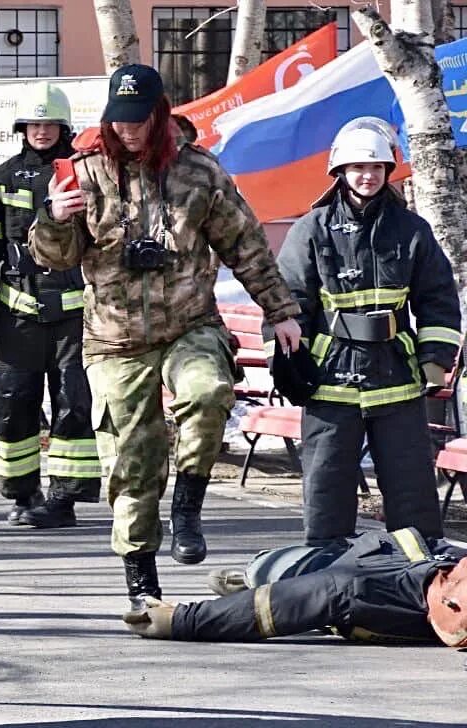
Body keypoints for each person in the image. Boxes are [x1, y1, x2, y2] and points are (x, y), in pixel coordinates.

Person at [30, 64, 303, 613]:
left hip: (189, 323)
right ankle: (141, 579)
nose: (128, 131)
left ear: (159, 114)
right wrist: (55, 217)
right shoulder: (84, 174)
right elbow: (50, 258)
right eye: (120, 121)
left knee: (207, 392)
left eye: (138, 121)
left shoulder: (198, 171)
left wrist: (281, 311)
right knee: (131, 463)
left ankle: (189, 503)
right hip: (113, 339)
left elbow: (245, 244)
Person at [275, 118, 460, 548]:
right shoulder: (312, 229)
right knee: (327, 488)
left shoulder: (412, 230)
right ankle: (324, 574)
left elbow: (438, 299)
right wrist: (286, 361)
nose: (367, 175)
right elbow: (288, 300)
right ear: (339, 171)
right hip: (330, 378)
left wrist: (434, 362)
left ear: (387, 172)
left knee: (412, 489)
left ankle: (419, 576)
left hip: (396, 377)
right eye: (358, 167)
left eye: (376, 167)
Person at [0, 82, 100, 527]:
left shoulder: (84, 172)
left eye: (50, 123)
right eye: (33, 123)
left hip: (75, 313)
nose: (41, 131)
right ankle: (23, 494)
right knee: (11, 402)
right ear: (21, 127)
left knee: (73, 402)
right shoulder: (3, 176)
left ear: (64, 127)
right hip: (15, 310)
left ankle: (63, 499)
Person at [123, 527, 467, 647]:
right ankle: (255, 577)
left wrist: (185, 620)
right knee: (272, 566)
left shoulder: (360, 588)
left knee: (287, 578)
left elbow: (304, 599)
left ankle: (256, 579)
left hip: (390, 573)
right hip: (411, 554)